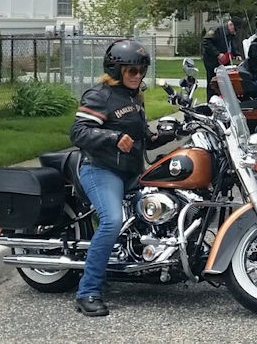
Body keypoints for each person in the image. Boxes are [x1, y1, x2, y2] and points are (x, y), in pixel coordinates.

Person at [70, 40, 176, 316]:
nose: (138, 76)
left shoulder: (135, 98)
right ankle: (88, 291)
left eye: (141, 71)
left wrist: (166, 134)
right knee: (112, 220)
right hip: (100, 169)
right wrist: (113, 138)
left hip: (130, 171)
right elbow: (79, 133)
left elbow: (143, 138)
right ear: (115, 70)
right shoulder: (99, 96)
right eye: (131, 71)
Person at [202, 20, 239, 99]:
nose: (235, 32)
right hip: (212, 61)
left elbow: (232, 46)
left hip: (224, 62)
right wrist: (217, 54)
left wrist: (237, 54)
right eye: (235, 29)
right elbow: (206, 42)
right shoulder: (217, 30)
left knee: (224, 83)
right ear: (230, 25)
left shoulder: (231, 35)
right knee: (212, 82)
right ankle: (211, 101)